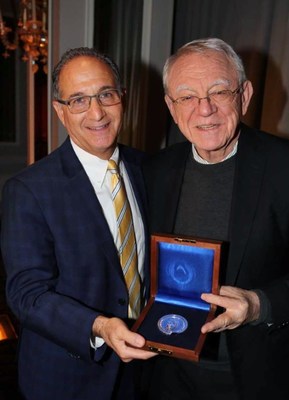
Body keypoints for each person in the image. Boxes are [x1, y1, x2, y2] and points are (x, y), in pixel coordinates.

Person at [0, 47, 155, 400]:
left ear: (122, 98)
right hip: (66, 378)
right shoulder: (28, 190)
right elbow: (26, 294)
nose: (97, 112)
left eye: (106, 94)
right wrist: (100, 326)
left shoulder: (149, 169)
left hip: (142, 371)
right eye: (79, 100)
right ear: (60, 111)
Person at [143, 38, 289, 399]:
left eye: (219, 91)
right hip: (168, 370)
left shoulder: (283, 165)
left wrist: (259, 304)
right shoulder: (155, 170)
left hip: (254, 375)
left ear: (245, 95)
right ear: (171, 108)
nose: (204, 109)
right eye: (187, 97)